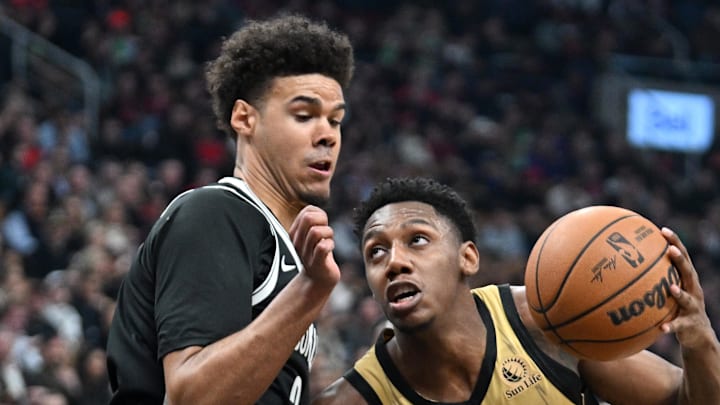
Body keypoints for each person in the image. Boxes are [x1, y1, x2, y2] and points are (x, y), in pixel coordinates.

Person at [106, 14, 354, 404]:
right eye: (304, 115)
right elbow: (192, 396)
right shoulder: (213, 214)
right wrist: (310, 291)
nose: (327, 135)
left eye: (336, 120)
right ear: (245, 118)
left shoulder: (282, 246)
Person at [313, 177, 720, 405]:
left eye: (417, 240)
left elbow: (685, 401)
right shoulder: (354, 400)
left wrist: (699, 340)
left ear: (467, 258)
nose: (395, 261)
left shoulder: (545, 321)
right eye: (376, 252)